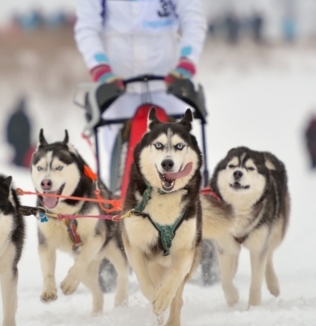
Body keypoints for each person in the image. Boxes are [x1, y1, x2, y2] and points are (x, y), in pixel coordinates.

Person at [74, 0, 218, 286]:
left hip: (169, 80)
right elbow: (86, 27)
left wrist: (186, 63)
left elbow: (192, 17)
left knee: (183, 153)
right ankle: (117, 233)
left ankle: (198, 226)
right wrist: (100, 69)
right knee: (117, 166)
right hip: (118, 83)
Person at [5, 98, 32, 168]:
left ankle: (18, 166)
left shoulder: (18, 117)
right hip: (19, 142)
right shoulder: (21, 117)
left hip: (19, 142)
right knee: (18, 155)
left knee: (20, 155)